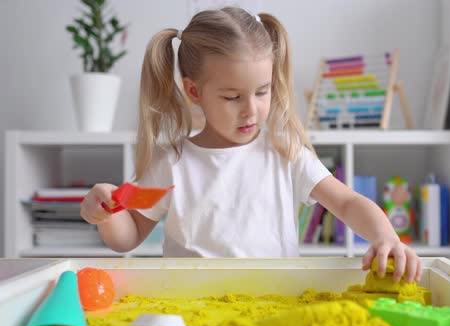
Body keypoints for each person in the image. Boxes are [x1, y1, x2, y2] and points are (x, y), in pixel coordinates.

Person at [80, 7, 421, 282]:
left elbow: (346, 203)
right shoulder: (173, 162)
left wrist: (385, 236)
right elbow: (129, 236)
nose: (251, 110)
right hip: (191, 310)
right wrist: (106, 213)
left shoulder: (284, 152)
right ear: (194, 91)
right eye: (232, 97)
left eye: (262, 92)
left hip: (275, 305)